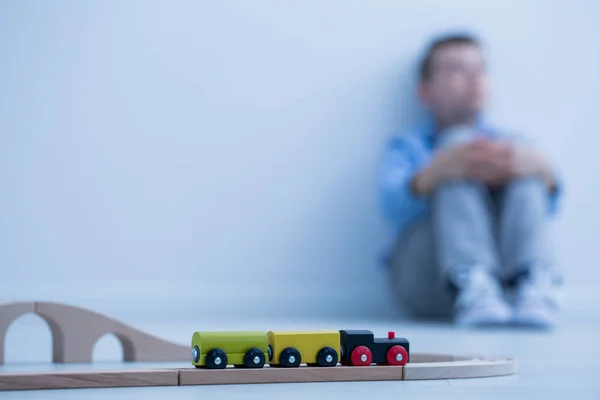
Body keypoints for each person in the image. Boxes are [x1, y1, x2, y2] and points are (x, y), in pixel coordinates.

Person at [378, 33, 563, 328]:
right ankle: (472, 280)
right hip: (428, 281)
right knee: (458, 147)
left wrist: (543, 174)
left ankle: (531, 284)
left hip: (503, 289)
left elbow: (546, 210)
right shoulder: (406, 146)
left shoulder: (508, 144)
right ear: (426, 92)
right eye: (456, 70)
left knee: (521, 157)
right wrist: (434, 173)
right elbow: (392, 210)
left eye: (480, 69)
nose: (474, 79)